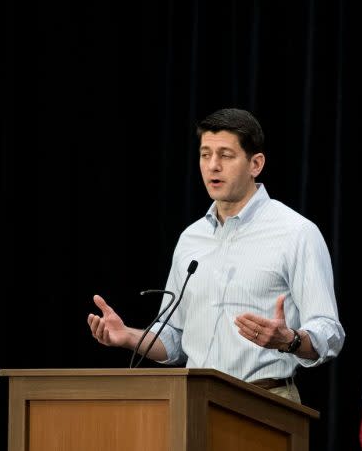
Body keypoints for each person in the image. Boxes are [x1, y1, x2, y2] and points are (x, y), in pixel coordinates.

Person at [87, 108, 345, 403]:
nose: (213, 166)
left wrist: (291, 340)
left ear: (255, 164)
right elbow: (174, 338)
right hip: (194, 405)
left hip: (266, 401)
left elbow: (329, 331)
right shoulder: (190, 239)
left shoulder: (297, 233)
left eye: (225, 155)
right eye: (205, 154)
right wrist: (129, 337)